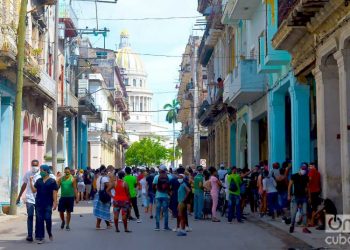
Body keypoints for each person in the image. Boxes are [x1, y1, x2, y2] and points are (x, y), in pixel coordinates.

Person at [29, 165, 58, 244]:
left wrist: (55, 203)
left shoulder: (52, 181)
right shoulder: (39, 181)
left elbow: (55, 192)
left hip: (48, 203)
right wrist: (31, 182)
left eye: (42, 170)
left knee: (48, 219)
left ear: (46, 171)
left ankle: (49, 233)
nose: (40, 172)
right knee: (40, 220)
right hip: (39, 203)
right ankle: (41, 237)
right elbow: (34, 191)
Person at [16, 159, 41, 242]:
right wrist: (19, 196)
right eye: (33, 165)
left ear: (38, 165)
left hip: (39, 198)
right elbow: (24, 185)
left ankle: (37, 233)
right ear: (31, 165)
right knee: (30, 216)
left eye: (36, 165)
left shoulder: (41, 174)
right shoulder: (28, 173)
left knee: (38, 217)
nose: (34, 167)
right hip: (29, 198)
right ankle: (30, 235)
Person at [288, 164, 311, 234]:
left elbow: (308, 187)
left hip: (304, 196)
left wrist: (309, 197)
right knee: (294, 212)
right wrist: (288, 195)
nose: (304, 170)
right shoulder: (294, 176)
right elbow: (289, 186)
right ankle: (292, 225)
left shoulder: (306, 177)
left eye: (305, 169)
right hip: (296, 196)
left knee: (304, 213)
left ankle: (304, 227)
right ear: (300, 169)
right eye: (303, 169)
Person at [57, 167, 78, 231]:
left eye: (68, 172)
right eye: (65, 172)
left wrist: (77, 198)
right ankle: (63, 221)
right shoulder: (61, 179)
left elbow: (75, 189)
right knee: (61, 211)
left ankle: (67, 224)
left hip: (70, 197)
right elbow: (57, 188)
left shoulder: (73, 179)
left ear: (70, 172)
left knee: (68, 212)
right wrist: (54, 196)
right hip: (63, 197)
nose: (66, 173)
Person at [153, 165, 172, 231]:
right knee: (165, 211)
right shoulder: (169, 177)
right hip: (166, 196)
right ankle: (165, 227)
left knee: (157, 211)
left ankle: (157, 226)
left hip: (158, 196)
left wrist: (155, 191)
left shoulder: (156, 177)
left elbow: (153, 185)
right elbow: (171, 186)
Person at [93, 165, 112, 230]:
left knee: (102, 210)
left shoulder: (98, 178)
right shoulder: (104, 178)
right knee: (103, 210)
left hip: (99, 195)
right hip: (104, 195)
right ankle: (98, 225)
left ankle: (108, 224)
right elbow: (109, 186)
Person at [308, 162, 321, 226]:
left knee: (313, 207)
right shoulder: (318, 173)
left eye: (310, 166)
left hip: (312, 191)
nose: (309, 167)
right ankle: (318, 221)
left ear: (313, 166)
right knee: (315, 206)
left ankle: (312, 222)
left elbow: (309, 180)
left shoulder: (311, 171)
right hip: (317, 191)